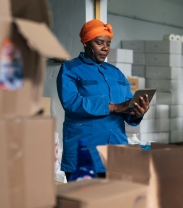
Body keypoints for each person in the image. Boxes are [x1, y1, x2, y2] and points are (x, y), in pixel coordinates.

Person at [57, 19, 150, 180]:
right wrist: (113, 107)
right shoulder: (70, 69)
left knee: (114, 202)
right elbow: (72, 103)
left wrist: (138, 111)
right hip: (84, 154)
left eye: (108, 43)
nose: (105, 48)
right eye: (99, 43)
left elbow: (126, 107)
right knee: (85, 202)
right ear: (86, 43)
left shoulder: (116, 73)